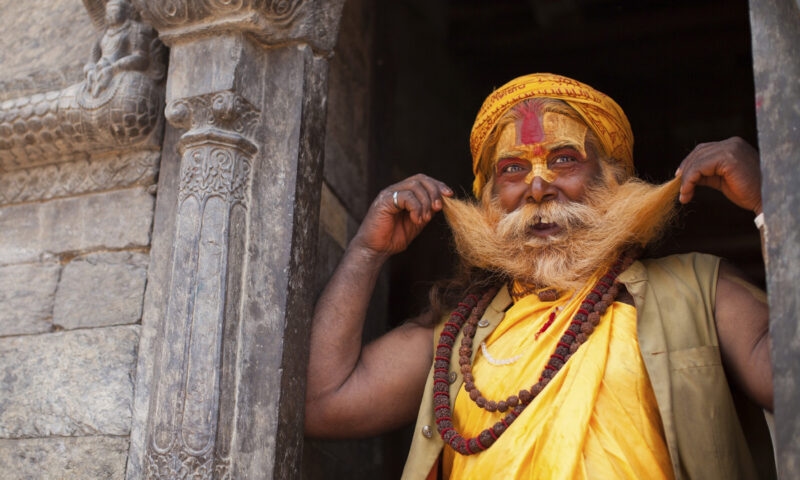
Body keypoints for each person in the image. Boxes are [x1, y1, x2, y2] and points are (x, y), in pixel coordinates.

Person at [304, 73, 773, 479]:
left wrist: (772, 205)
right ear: (487, 200)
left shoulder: (697, 290)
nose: (537, 186)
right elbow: (325, 401)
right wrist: (368, 250)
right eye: (512, 169)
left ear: (612, 179)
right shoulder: (460, 340)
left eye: (564, 159)